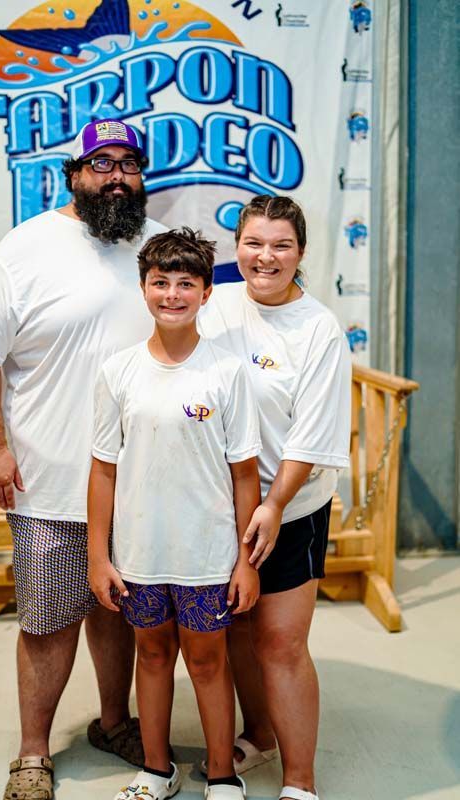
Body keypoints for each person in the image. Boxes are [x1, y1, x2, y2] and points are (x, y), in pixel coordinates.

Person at [0, 119, 167, 800]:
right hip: (48, 479)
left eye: (129, 163)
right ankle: (33, 753)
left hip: (136, 483)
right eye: (101, 163)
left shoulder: (154, 244)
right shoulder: (27, 247)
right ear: (74, 172)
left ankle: (112, 722)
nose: (117, 176)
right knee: (47, 620)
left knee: (117, 611)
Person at [87, 228, 264, 800]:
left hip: (207, 554)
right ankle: (156, 771)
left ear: (207, 292)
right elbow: (103, 470)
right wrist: (98, 556)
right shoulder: (118, 372)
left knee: (209, 661)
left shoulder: (229, 372)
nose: (171, 294)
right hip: (139, 552)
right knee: (153, 652)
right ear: (143, 288)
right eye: (160, 282)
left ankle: (221, 774)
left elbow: (244, 475)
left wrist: (246, 562)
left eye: (185, 283)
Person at [198, 195, 352, 800]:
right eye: (254, 243)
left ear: (301, 253)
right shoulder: (215, 306)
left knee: (281, 643)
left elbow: (311, 437)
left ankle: (300, 783)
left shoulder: (318, 329)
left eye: (281, 245)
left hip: (292, 505)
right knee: (237, 628)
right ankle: (258, 733)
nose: (266, 257)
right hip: (218, 503)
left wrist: (273, 505)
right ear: (236, 246)